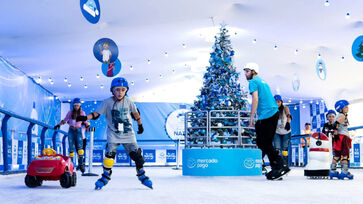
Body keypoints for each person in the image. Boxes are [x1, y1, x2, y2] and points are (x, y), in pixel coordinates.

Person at [76, 77, 153, 189]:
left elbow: (135, 113)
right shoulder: (107, 102)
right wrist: (85, 117)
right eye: (117, 89)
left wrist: (140, 125)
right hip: (113, 135)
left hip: (128, 134)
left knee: (138, 157)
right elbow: (96, 114)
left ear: (126, 90)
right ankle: (105, 176)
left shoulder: (129, 101)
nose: (120, 92)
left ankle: (142, 175)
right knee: (109, 157)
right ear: (112, 90)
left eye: (122, 89)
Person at [244, 62, 290, 180]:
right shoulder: (262, 81)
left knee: (264, 143)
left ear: (254, 71)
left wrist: (251, 116)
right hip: (271, 113)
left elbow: (255, 98)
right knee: (264, 143)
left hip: (267, 115)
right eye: (245, 71)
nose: (245, 73)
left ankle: (281, 165)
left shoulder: (253, 82)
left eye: (247, 71)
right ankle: (276, 167)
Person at [54, 98, 87, 173]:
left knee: (80, 149)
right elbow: (65, 120)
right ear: (73, 105)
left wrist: (87, 125)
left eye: (78, 105)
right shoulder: (70, 112)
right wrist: (58, 125)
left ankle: (81, 164)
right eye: (75, 105)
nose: (76, 107)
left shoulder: (82, 112)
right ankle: (71, 165)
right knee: (71, 149)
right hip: (71, 131)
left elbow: (85, 121)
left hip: (78, 131)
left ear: (80, 106)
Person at [329, 100, 353, 180]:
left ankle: (332, 172)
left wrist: (335, 131)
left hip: (338, 138)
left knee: (336, 156)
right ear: (340, 109)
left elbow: (334, 125)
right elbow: (336, 123)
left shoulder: (337, 115)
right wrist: (335, 128)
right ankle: (344, 172)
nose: (347, 108)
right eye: (345, 107)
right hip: (344, 137)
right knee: (345, 156)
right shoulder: (343, 116)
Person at [273, 95, 292, 163]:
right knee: (277, 149)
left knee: (284, 150)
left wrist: (288, 123)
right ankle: (278, 164)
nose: (277, 103)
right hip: (277, 132)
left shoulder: (285, 108)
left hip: (286, 132)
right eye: (275, 102)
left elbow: (289, 115)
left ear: (281, 102)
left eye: (278, 102)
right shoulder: (272, 110)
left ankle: (285, 164)